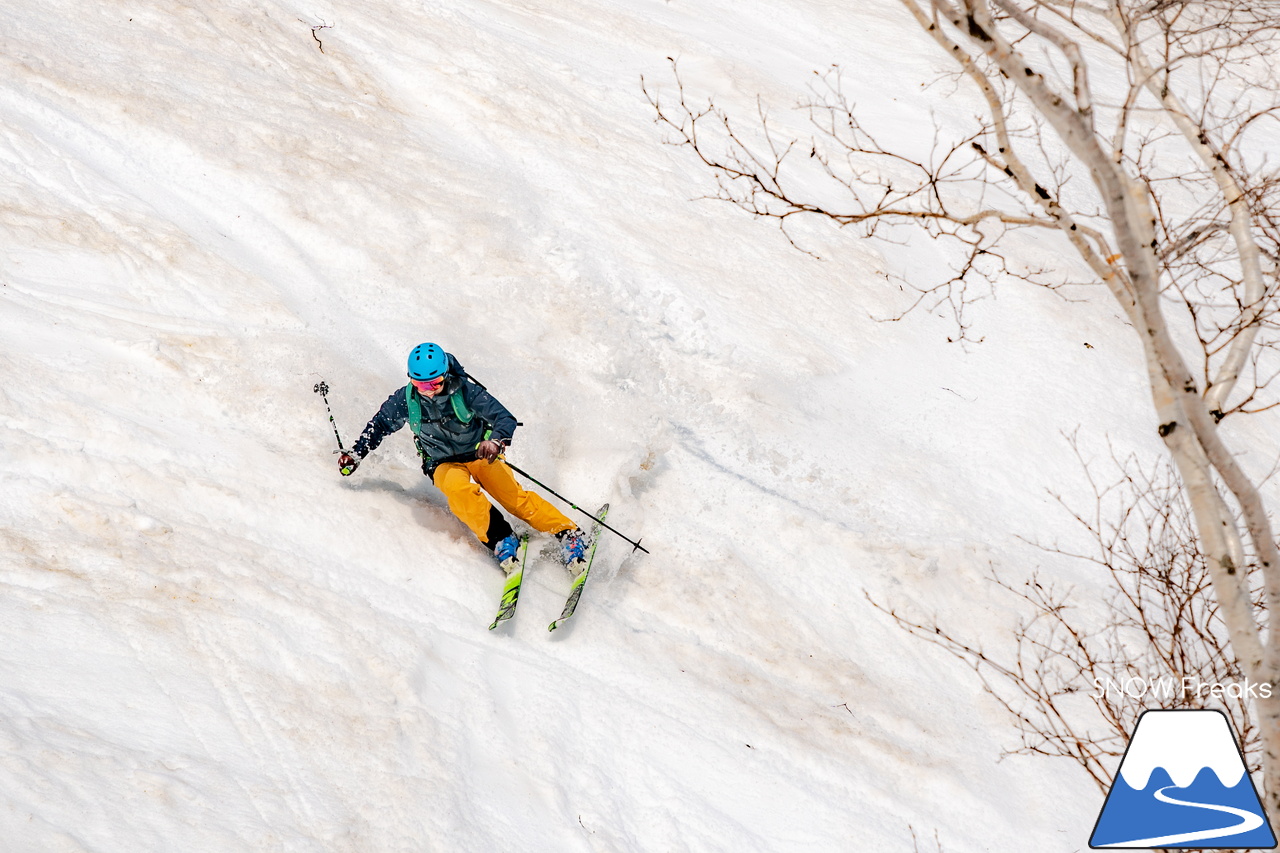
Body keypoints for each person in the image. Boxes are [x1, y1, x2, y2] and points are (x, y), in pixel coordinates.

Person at [337, 343, 588, 571]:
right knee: (459, 493)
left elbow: (504, 418)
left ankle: (569, 534)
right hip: (442, 462)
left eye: (434, 383)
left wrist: (496, 442)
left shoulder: (465, 391)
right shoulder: (405, 400)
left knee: (513, 498)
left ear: (445, 375)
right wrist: (357, 453)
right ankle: (502, 539)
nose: (428, 391)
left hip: (480, 453)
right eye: (421, 385)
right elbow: (380, 424)